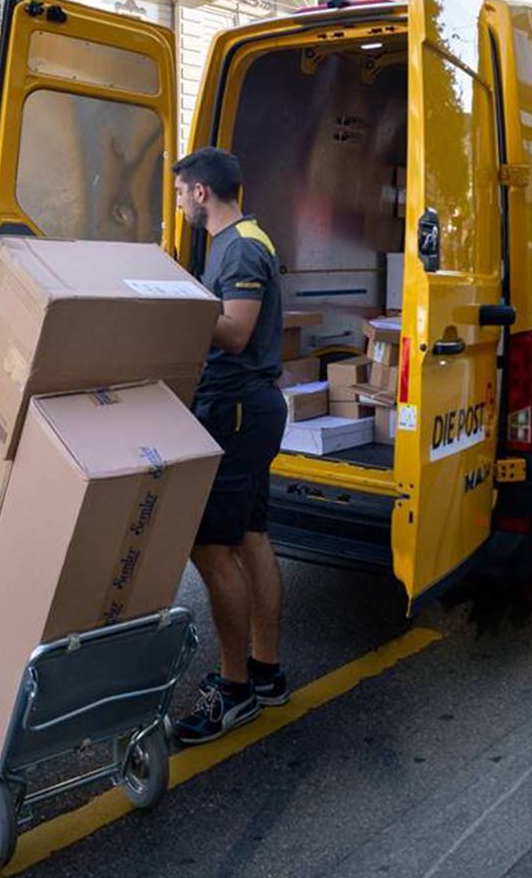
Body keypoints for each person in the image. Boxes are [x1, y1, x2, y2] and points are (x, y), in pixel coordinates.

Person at [169, 147, 289, 745]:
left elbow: (236, 332)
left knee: (211, 546)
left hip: (236, 409)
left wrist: (179, 301)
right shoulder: (244, 239)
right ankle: (266, 671)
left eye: (179, 192)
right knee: (251, 537)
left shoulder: (238, 246)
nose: (178, 202)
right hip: (251, 407)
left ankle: (235, 689)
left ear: (200, 193)